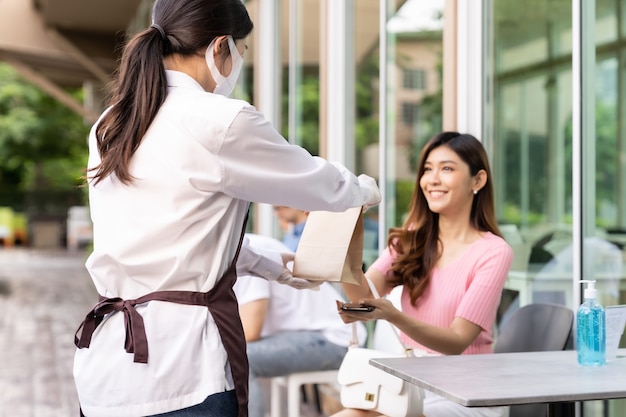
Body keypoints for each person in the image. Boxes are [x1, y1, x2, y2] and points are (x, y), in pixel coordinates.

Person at [71, 1, 381, 416]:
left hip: (108, 369)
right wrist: (364, 191)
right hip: (184, 371)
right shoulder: (219, 119)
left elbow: (166, 235)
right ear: (220, 48)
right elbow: (315, 184)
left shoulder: (111, 122)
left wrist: (271, 263)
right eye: (242, 51)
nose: (239, 63)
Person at [332, 132, 513, 417]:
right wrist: (349, 226)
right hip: (411, 385)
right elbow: (365, 296)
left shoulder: (493, 252)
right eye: (427, 169)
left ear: (477, 180)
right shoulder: (411, 241)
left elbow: (457, 341)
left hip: (468, 395)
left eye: (447, 168)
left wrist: (393, 315)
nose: (433, 179)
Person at [234, 233, 367, 417]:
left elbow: (250, 330)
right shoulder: (239, 247)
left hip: (337, 339)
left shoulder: (248, 252)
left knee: (239, 359)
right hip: (306, 334)